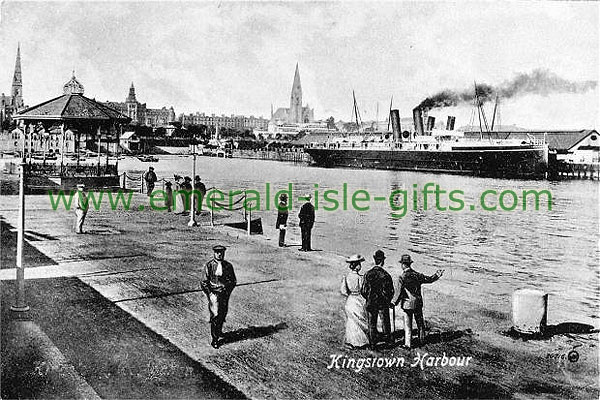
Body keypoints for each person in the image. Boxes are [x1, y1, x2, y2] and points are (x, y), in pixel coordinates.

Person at [394, 254, 444, 348]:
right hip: (418, 303)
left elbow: (398, 293)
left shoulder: (402, 277)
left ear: (403, 265)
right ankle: (422, 340)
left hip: (407, 304)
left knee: (408, 325)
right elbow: (429, 279)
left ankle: (408, 344)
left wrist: (394, 302)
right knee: (420, 323)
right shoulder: (417, 275)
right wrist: (437, 274)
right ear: (409, 264)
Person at [200, 245, 237, 349]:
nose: (219, 254)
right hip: (213, 293)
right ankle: (215, 339)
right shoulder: (209, 265)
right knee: (215, 315)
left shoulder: (228, 266)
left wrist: (227, 290)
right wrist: (210, 293)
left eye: (221, 252)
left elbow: (233, 280)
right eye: (217, 252)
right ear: (214, 253)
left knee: (222, 313)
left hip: (224, 293)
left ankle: (219, 331)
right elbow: (204, 282)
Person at [361, 250, 394, 350]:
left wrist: (369, 298)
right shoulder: (386, 275)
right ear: (382, 261)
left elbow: (363, 290)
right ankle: (387, 342)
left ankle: (373, 344)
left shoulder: (367, 274)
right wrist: (388, 300)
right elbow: (390, 291)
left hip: (371, 302)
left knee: (372, 324)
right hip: (382, 303)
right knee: (385, 323)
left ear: (374, 260)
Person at [340, 254, 369, 349]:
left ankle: (351, 341)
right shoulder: (360, 277)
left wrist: (350, 293)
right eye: (359, 264)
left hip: (350, 300)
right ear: (357, 266)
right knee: (359, 320)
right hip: (358, 299)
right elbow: (363, 290)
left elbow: (343, 291)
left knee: (352, 321)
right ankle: (360, 342)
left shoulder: (346, 276)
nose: (360, 266)